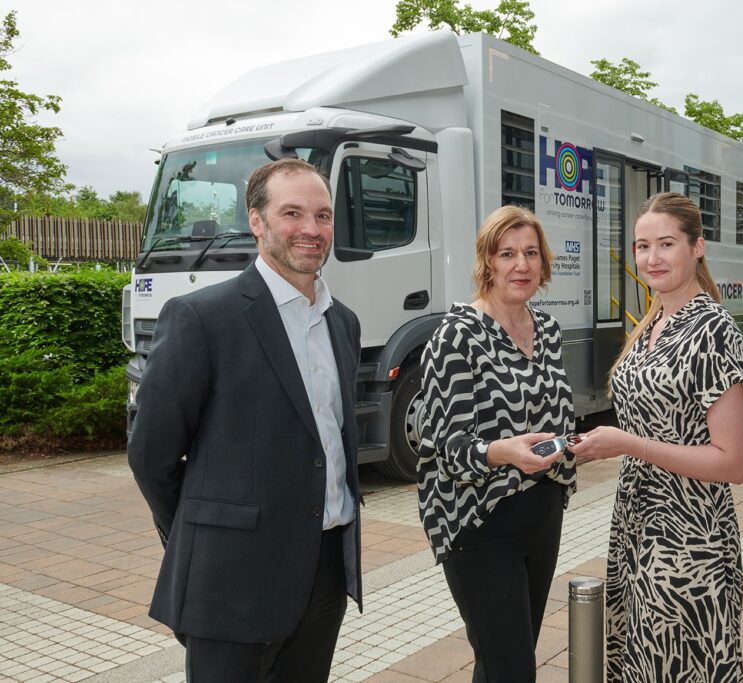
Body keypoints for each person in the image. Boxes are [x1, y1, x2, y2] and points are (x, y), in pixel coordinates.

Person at [128, 158, 362, 683]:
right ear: (256, 221)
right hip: (231, 576)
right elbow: (151, 456)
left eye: (323, 215)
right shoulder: (201, 317)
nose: (311, 229)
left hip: (324, 568)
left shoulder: (342, 322)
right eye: (292, 213)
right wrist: (202, 535)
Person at [571, 192, 743, 682]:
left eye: (666, 244)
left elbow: (733, 463)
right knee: (639, 662)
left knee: (673, 665)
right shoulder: (654, 319)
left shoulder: (712, 329)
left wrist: (628, 444)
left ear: (697, 247)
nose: (652, 258)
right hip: (638, 526)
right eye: (642, 246)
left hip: (688, 539)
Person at [417, 205, 576, 682]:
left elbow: (555, 417)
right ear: (487, 262)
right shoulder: (457, 335)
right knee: (512, 668)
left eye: (531, 253)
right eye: (507, 254)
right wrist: (501, 451)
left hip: (542, 514)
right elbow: (447, 446)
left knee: (506, 661)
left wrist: (574, 444)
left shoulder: (548, 329)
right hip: (480, 522)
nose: (521, 265)